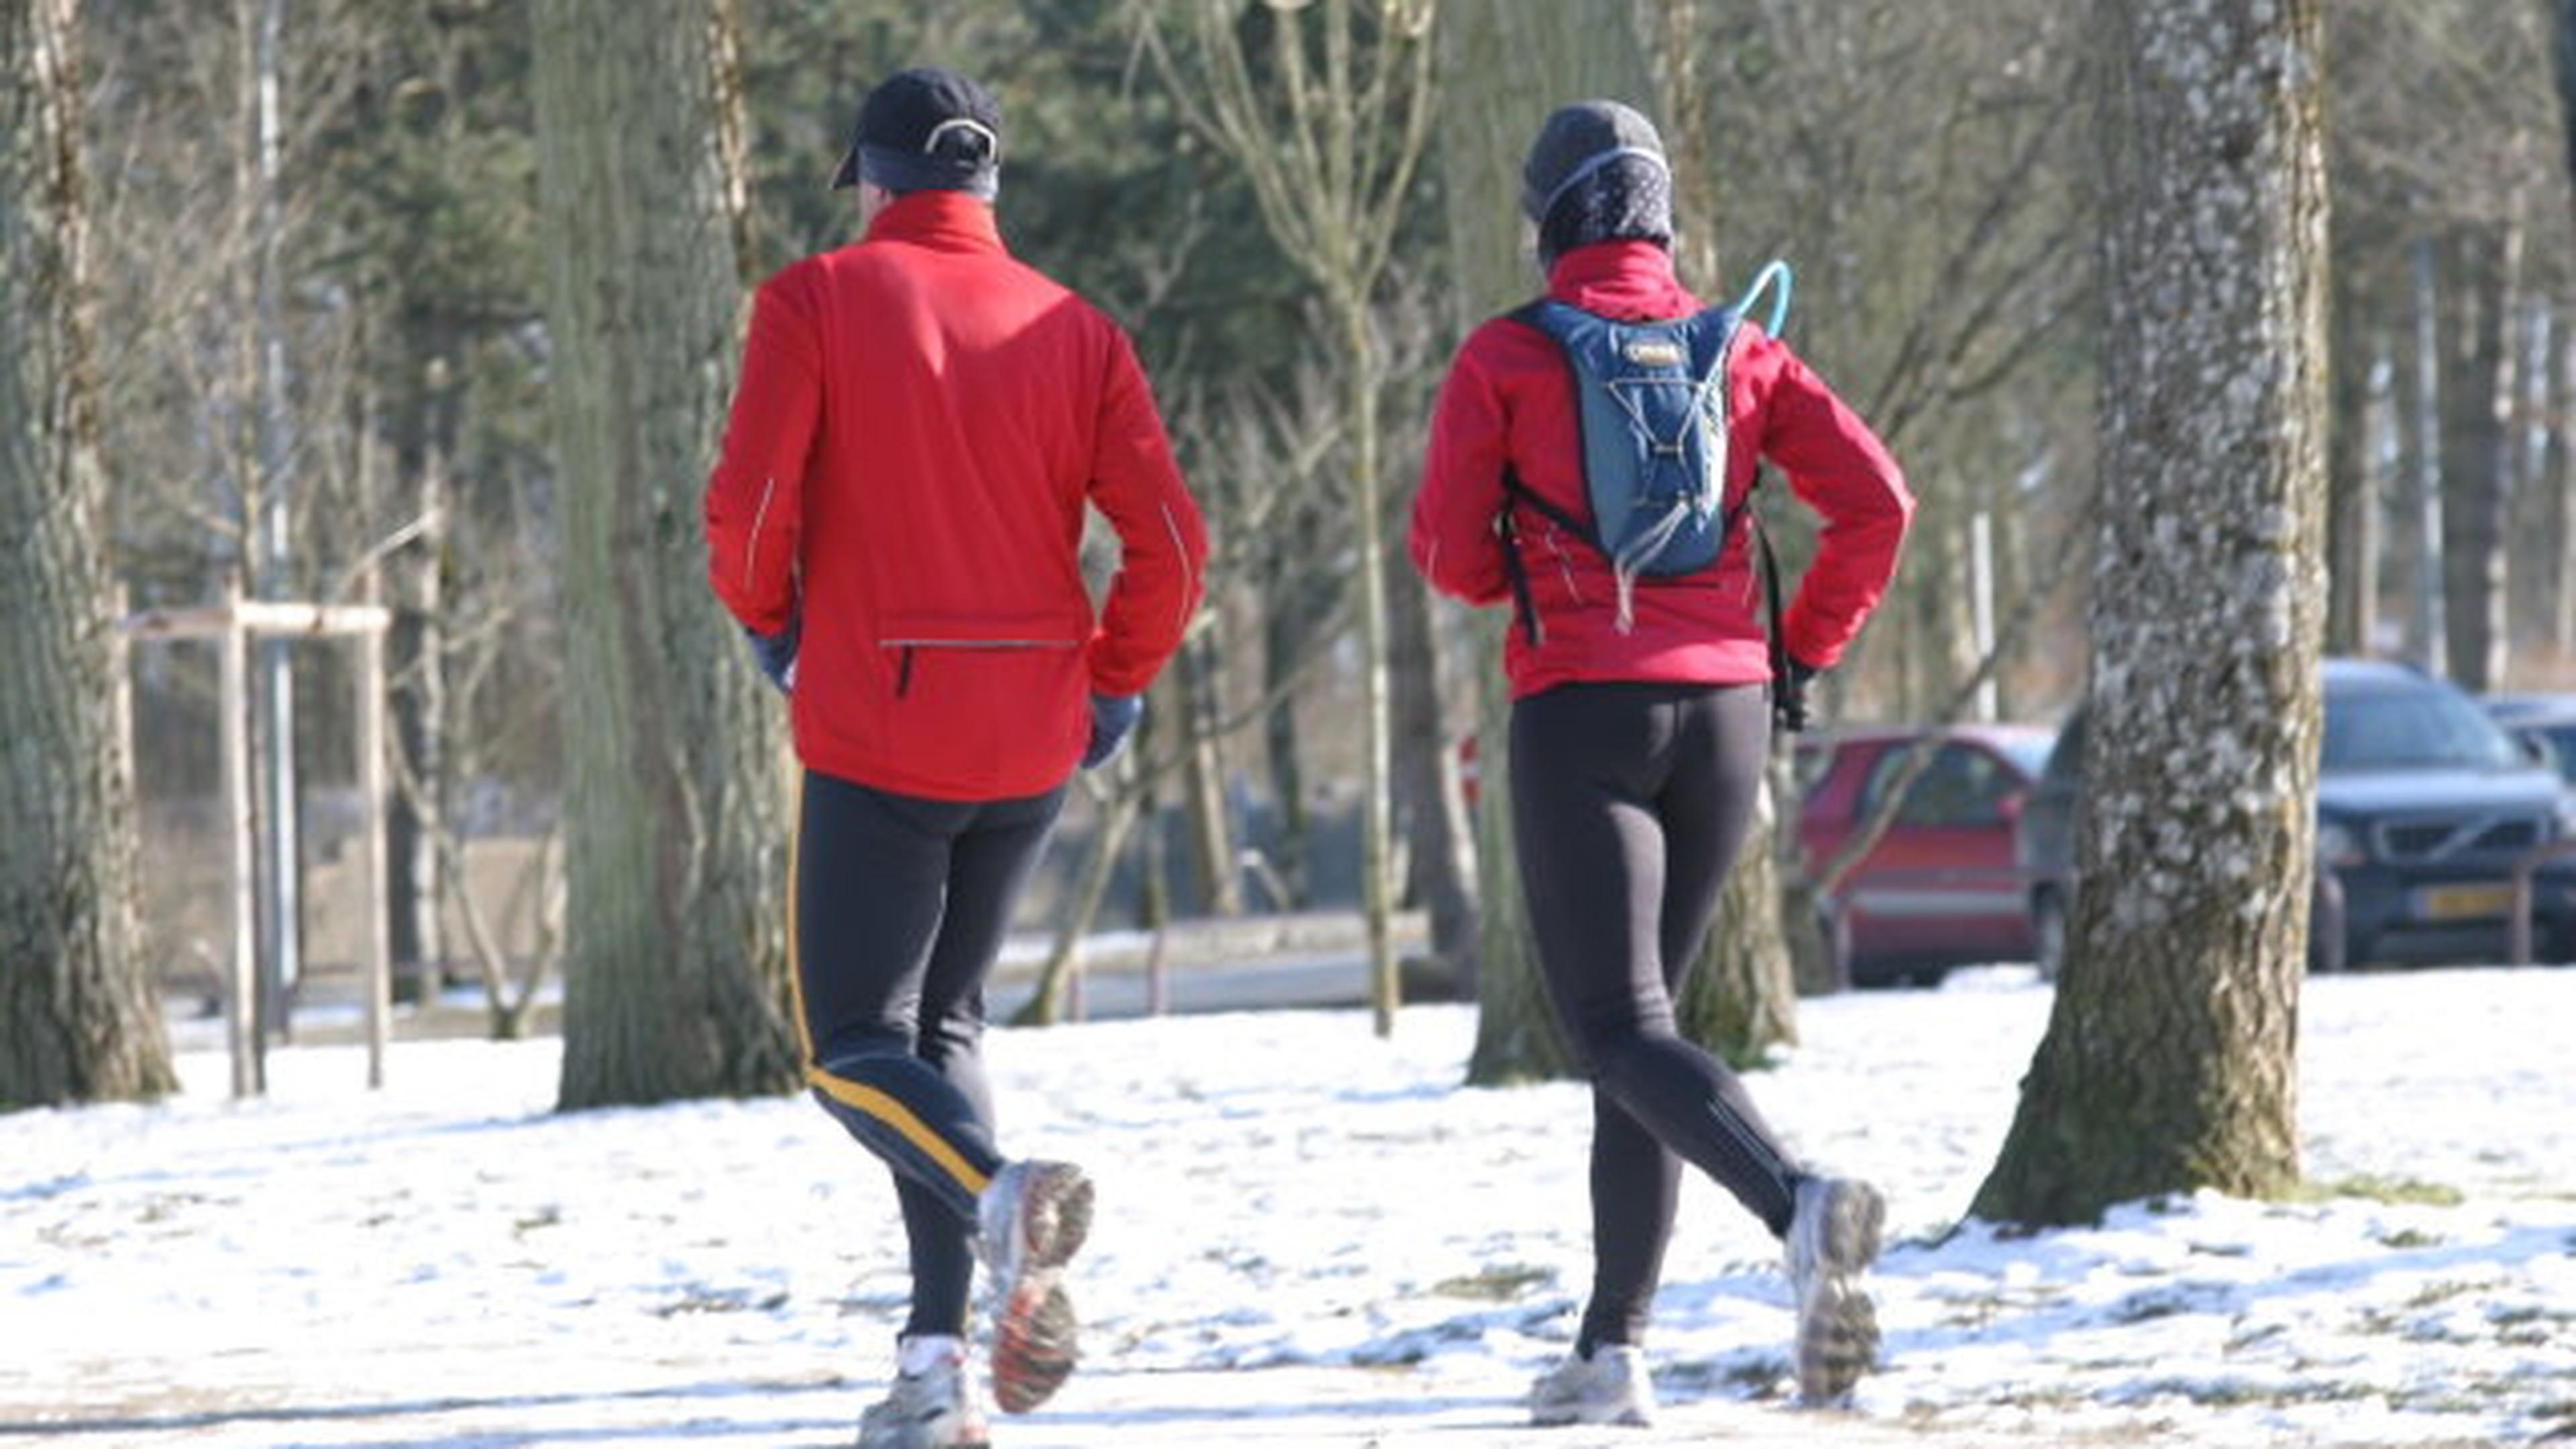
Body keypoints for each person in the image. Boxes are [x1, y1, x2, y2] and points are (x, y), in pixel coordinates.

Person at [702, 66, 1208, 1449]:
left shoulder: (810, 302)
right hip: (1032, 737)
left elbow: (748, 515)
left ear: (874, 182)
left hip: (880, 722)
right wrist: (1112, 683)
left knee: (852, 1049)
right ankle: (938, 1374)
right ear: (988, 185)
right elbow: (1172, 545)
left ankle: (1001, 1200)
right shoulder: (1081, 328)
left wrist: (775, 632)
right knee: (947, 1034)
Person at [1409, 99, 1913, 1424]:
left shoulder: (1506, 357)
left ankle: (1801, 1206)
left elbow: (1454, 561)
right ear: (1659, 214)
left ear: (1550, 223)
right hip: (1731, 714)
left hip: (1587, 710)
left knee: (1621, 1031)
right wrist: (1796, 649)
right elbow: (1879, 503)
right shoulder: (1741, 349)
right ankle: (1612, 1351)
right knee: (1644, 1041)